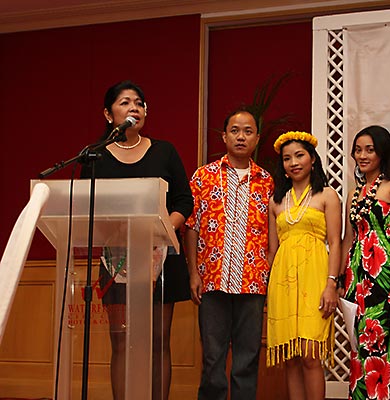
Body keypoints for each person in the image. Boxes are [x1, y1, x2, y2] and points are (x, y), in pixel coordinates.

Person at [81, 80, 193, 400]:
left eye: (139, 103)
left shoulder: (164, 151)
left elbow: (184, 201)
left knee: (158, 341)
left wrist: (162, 229)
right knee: (120, 342)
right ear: (108, 114)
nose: (135, 108)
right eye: (125, 102)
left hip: (162, 258)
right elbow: (89, 207)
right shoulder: (95, 156)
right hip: (116, 260)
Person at [184, 107, 273, 400]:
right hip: (212, 280)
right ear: (224, 136)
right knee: (213, 359)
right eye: (235, 130)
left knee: (247, 358)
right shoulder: (203, 176)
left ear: (257, 138)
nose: (241, 137)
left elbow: (274, 233)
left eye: (248, 131)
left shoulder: (267, 181)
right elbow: (191, 226)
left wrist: (267, 272)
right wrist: (193, 273)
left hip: (253, 281)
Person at [266, 131, 342, 400]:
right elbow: (273, 250)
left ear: (313, 159)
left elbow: (335, 242)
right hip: (283, 282)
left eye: (299, 155)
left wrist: (332, 284)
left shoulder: (327, 195)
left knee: (310, 354)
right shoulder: (276, 201)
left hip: (316, 278)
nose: (294, 162)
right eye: (287, 158)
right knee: (291, 357)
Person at [341, 125, 390, 400]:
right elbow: (348, 238)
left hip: (386, 275)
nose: (362, 155)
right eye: (358, 150)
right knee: (361, 343)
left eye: (369, 150)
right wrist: (341, 279)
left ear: (382, 152)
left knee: (384, 342)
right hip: (358, 278)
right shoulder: (354, 193)